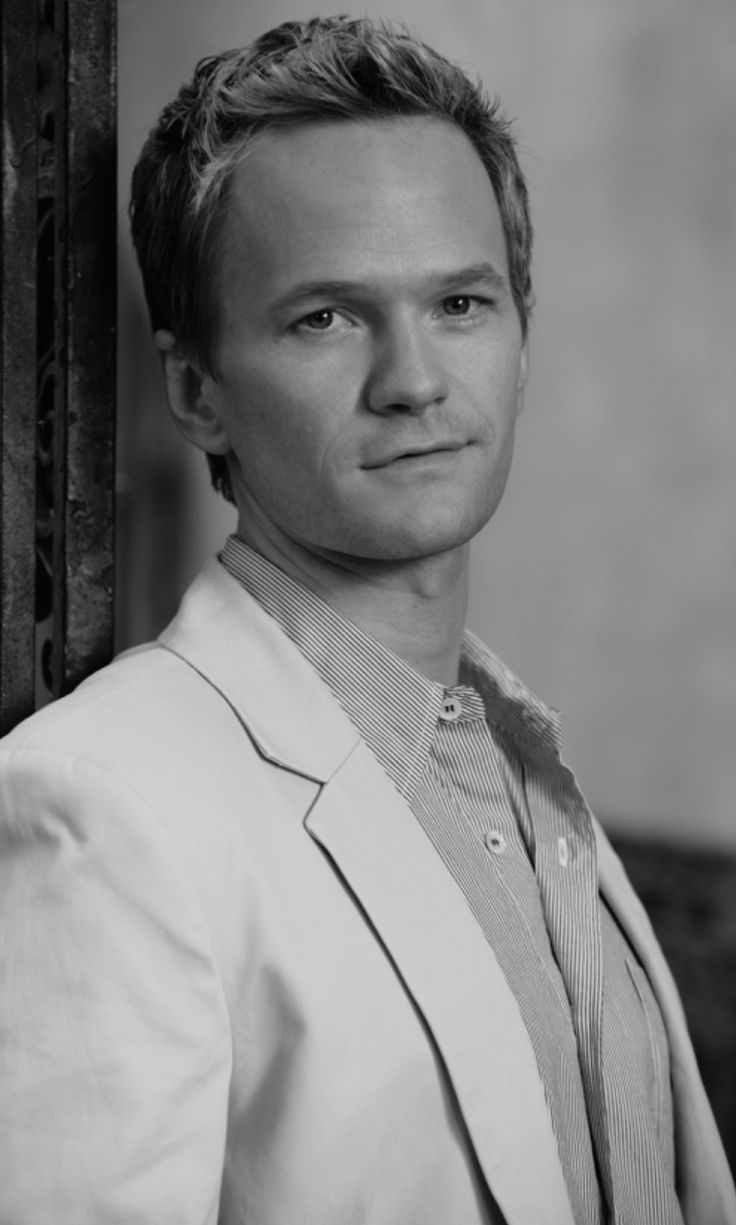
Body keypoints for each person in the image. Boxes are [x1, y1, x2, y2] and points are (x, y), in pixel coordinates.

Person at [0, 15, 733, 1225]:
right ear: (196, 390)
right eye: (326, 318)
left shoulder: (521, 768)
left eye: (458, 301)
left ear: (517, 328)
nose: (414, 380)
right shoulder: (98, 812)